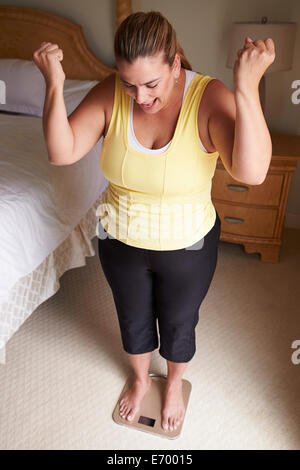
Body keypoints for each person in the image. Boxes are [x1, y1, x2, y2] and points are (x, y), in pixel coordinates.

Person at [33, 10, 275, 433]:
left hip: (187, 246)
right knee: (131, 315)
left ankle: (175, 383)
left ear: (175, 63)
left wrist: (247, 89)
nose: (139, 97)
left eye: (151, 84)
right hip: (119, 238)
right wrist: (54, 83)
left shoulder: (207, 96)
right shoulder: (111, 93)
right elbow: (62, 150)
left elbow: (251, 172)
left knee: (179, 320)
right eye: (128, 83)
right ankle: (141, 378)